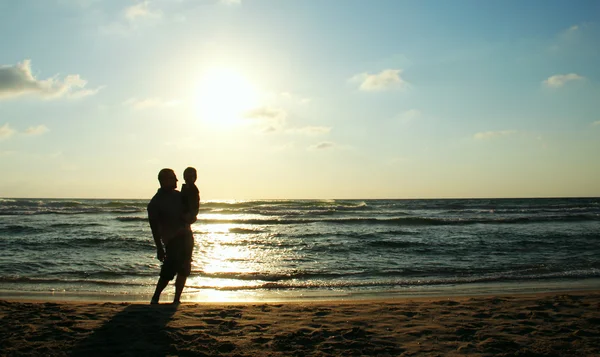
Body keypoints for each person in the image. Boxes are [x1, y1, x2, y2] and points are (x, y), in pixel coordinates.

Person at [147, 168, 193, 304]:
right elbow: (154, 227)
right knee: (168, 270)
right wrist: (159, 247)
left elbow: (190, 210)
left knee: (185, 268)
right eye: (173, 178)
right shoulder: (156, 202)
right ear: (164, 180)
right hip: (172, 240)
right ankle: (155, 297)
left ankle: (177, 299)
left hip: (186, 236)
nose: (176, 180)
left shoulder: (179, 196)